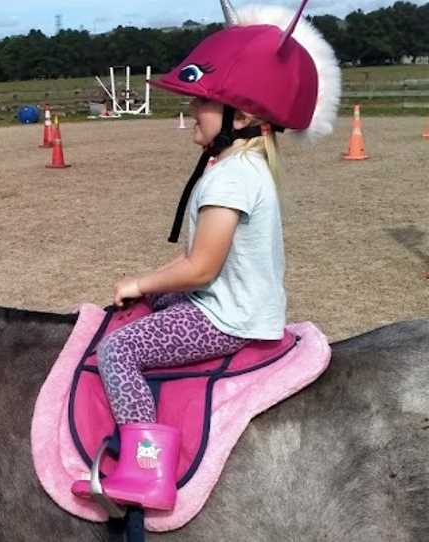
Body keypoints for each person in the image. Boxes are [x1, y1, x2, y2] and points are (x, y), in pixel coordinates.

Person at [73, 0, 341, 510]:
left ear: (240, 116)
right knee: (151, 313)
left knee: (118, 351)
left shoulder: (234, 176)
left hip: (226, 317)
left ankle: (147, 471)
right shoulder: (239, 166)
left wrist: (140, 282)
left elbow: (200, 267)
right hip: (228, 305)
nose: (193, 110)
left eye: (202, 101)